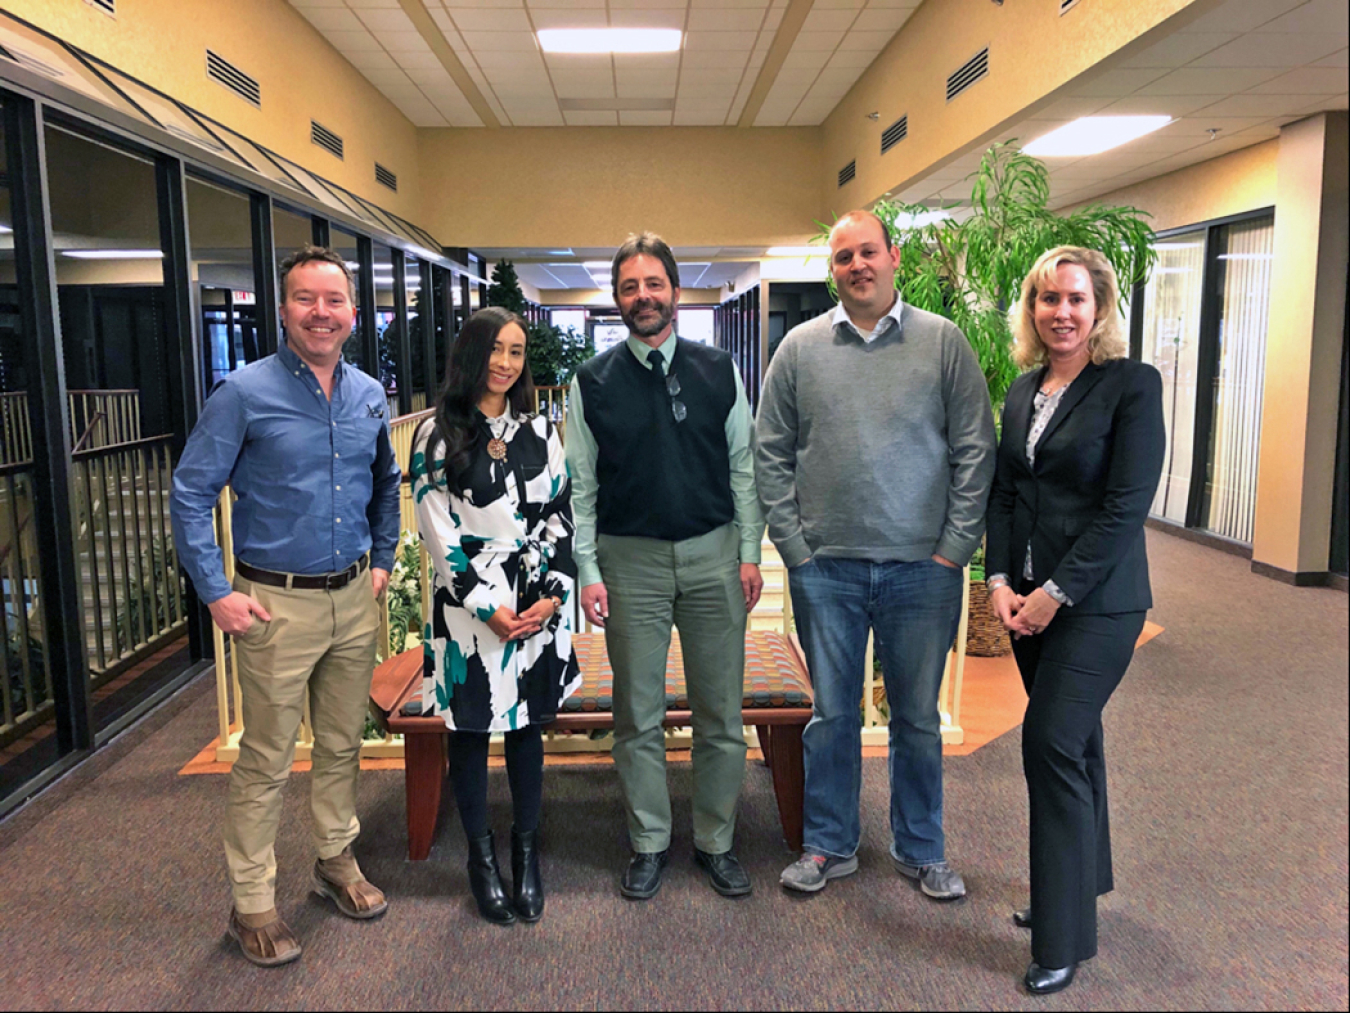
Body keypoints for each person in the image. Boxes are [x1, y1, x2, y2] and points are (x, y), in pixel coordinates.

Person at [171, 245, 401, 967]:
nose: (321, 312)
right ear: (283, 309)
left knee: (340, 745)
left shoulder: (368, 393)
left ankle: (336, 861)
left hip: (352, 599)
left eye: (334, 300)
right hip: (273, 603)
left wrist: (386, 561)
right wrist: (215, 592)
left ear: (353, 313)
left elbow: (385, 484)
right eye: (306, 299)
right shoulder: (242, 392)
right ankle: (253, 904)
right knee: (267, 760)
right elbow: (189, 491)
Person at [755, 210, 996, 899]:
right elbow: (769, 453)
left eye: (867, 252)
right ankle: (830, 844)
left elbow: (975, 448)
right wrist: (794, 549)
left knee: (916, 717)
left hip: (924, 568)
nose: (856, 265)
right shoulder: (799, 349)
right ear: (832, 270)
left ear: (894, 256)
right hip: (824, 568)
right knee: (831, 714)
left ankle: (922, 848)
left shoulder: (943, 342)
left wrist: (956, 549)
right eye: (842, 258)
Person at [986, 245, 1165, 995]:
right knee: (1078, 740)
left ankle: (1062, 937)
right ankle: (1079, 884)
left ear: (1100, 309)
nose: (1061, 312)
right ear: (1031, 309)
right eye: (1048, 299)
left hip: (1097, 602)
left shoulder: (1131, 385)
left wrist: (1056, 590)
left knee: (1050, 742)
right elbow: (1006, 491)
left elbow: (1126, 507)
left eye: (1076, 300)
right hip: (1028, 599)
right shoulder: (1025, 390)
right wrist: (997, 577)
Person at [566, 231, 765, 900]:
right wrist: (587, 568)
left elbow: (744, 469)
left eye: (654, 283)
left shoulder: (720, 368)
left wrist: (748, 553)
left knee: (720, 713)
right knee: (638, 714)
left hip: (714, 558)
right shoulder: (591, 382)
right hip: (629, 566)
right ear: (617, 299)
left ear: (675, 292)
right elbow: (582, 484)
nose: (643, 296)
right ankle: (649, 840)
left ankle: (716, 840)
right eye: (629, 286)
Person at [410, 307, 580, 926]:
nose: (506, 363)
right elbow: (437, 533)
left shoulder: (540, 431)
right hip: (468, 610)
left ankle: (526, 854)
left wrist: (553, 594)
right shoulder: (436, 435)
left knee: (528, 729)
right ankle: (480, 862)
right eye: (496, 350)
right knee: (472, 732)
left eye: (516, 351)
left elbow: (563, 514)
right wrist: (489, 606)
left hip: (537, 604)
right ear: (471, 355)